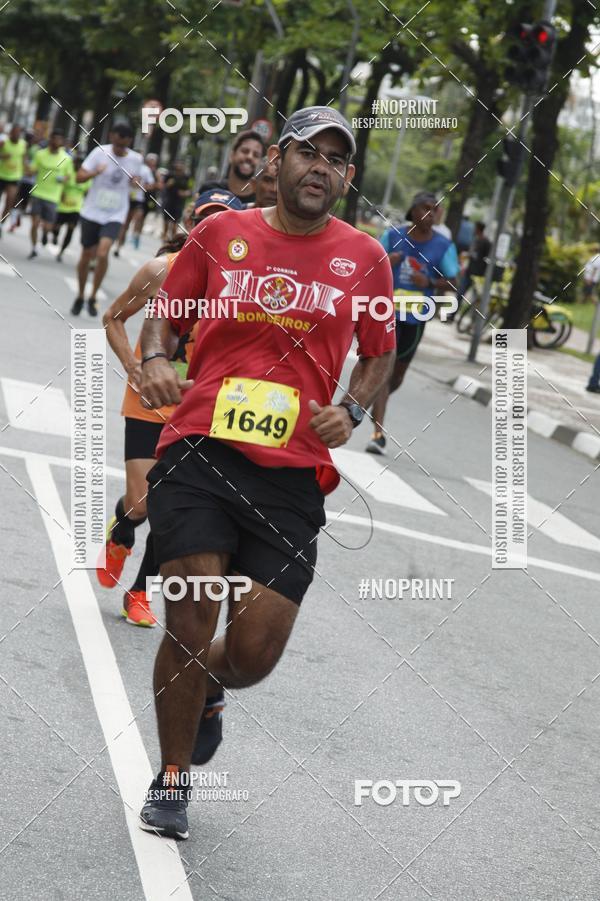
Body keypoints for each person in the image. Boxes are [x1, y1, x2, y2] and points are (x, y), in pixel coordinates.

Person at [137, 105, 394, 840]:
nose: (322, 167)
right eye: (309, 152)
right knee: (190, 611)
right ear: (274, 161)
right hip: (200, 446)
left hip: (291, 474)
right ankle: (174, 776)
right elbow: (169, 311)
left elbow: (379, 349)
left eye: (337, 160)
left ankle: (214, 684)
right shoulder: (221, 234)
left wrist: (351, 406)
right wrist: (157, 358)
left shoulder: (366, 258)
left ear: (346, 180)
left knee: (253, 654)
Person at [97, 190, 244, 627]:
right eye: (204, 219)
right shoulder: (161, 270)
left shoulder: (243, 285)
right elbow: (113, 317)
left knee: (170, 506)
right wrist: (133, 365)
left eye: (221, 220)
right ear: (190, 223)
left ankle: (140, 591)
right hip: (148, 401)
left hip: (199, 407)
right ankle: (122, 529)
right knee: (142, 503)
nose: (210, 228)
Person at [365, 191, 459, 455]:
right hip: (386, 313)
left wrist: (429, 282)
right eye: (425, 208)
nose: (431, 213)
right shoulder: (394, 236)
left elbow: (454, 281)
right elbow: (369, 266)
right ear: (413, 211)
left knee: (396, 377)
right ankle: (378, 434)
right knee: (383, 372)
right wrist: (386, 261)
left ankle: (373, 399)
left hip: (416, 318)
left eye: (435, 209)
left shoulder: (443, 246)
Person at [71, 122, 142, 317]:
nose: (119, 149)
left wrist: (136, 183)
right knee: (86, 255)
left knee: (102, 253)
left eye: (124, 146)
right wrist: (95, 172)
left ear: (129, 142)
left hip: (115, 213)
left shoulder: (136, 159)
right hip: (92, 211)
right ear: (112, 137)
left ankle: (93, 295)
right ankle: (80, 294)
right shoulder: (99, 152)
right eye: (117, 145)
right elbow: (79, 177)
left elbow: (138, 184)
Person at [27, 129, 74, 259]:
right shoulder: (40, 154)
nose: (57, 142)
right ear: (50, 140)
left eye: (60, 140)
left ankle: (45, 234)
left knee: (48, 226)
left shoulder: (66, 158)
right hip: (38, 192)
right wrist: (26, 165)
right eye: (55, 139)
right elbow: (31, 171)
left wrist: (63, 181)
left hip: (53, 196)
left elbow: (69, 177)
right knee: (35, 223)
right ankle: (34, 247)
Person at [197, 129, 265, 203]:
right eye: (245, 151)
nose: (250, 157)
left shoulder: (260, 201)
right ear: (232, 155)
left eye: (256, 155)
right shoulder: (209, 190)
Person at [115, 153, 158, 255]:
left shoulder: (145, 170)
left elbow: (151, 184)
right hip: (126, 198)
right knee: (125, 224)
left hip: (138, 199)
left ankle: (135, 235)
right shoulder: (128, 166)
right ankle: (118, 246)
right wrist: (130, 183)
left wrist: (142, 187)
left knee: (138, 218)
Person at [51, 155, 89, 262]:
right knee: (55, 227)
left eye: (80, 164)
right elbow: (57, 179)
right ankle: (55, 235)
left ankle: (61, 251)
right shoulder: (68, 172)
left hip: (76, 208)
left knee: (70, 230)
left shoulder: (85, 177)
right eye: (76, 163)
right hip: (62, 206)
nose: (78, 166)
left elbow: (88, 191)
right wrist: (63, 181)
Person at [453, 220, 491, 318]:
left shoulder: (486, 242)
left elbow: (485, 258)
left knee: (476, 298)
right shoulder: (476, 240)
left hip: (478, 275)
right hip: (469, 271)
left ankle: (474, 319)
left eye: (475, 228)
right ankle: (452, 315)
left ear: (478, 229)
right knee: (460, 293)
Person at [0, 124, 27, 235]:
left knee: (10, 201)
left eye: (18, 132)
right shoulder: (4, 142)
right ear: (11, 133)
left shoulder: (23, 144)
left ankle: (1, 224)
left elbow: (24, 159)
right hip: (1, 175)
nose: (16, 134)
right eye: (15, 132)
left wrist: (26, 169)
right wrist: (2, 156)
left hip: (15, 177)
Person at [160, 160, 191, 242]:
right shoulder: (170, 175)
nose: (179, 170)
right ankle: (164, 237)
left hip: (179, 203)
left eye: (181, 169)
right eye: (177, 169)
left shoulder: (186, 177)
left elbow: (190, 190)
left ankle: (173, 240)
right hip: (169, 201)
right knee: (166, 222)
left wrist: (185, 193)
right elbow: (162, 186)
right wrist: (168, 184)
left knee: (175, 224)